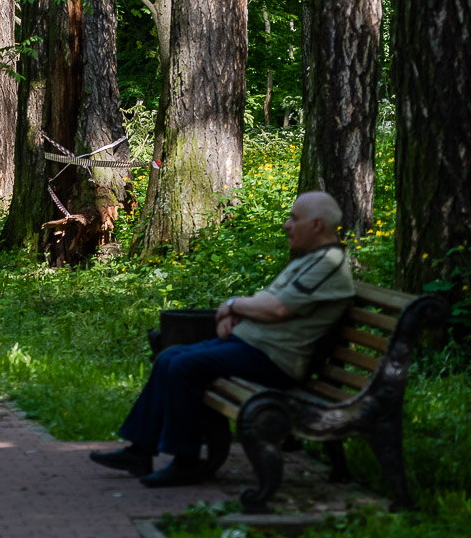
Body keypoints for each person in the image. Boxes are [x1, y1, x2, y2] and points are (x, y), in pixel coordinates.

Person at [91, 190, 354, 488]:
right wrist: (237, 310)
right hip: (253, 347)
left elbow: (279, 309)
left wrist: (230, 307)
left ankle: (186, 462)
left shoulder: (328, 264)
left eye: (294, 219)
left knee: (183, 366)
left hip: (275, 359)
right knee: (170, 357)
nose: (286, 225)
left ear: (317, 225)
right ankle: (140, 452)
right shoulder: (312, 260)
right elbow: (268, 299)